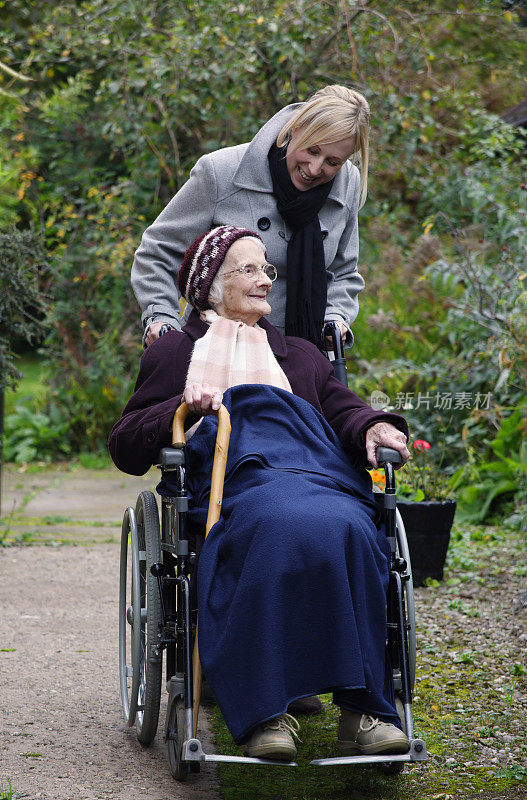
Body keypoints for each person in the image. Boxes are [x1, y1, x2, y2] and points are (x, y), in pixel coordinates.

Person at [110, 225, 411, 761]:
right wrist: (182, 406)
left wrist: (374, 428)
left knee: (355, 527)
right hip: (233, 486)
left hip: (315, 473)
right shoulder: (177, 352)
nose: (265, 281)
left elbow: (344, 407)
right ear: (209, 284)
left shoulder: (298, 354)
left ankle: (364, 711)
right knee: (271, 529)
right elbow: (126, 443)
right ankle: (267, 712)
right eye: (248, 269)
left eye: (267, 269)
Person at [131, 84, 370, 348]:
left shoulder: (347, 183)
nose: (314, 169)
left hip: (305, 357)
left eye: (332, 162)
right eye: (312, 150)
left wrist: (335, 318)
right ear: (295, 128)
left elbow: (343, 271)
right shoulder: (220, 172)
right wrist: (161, 317)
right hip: (216, 351)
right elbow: (159, 251)